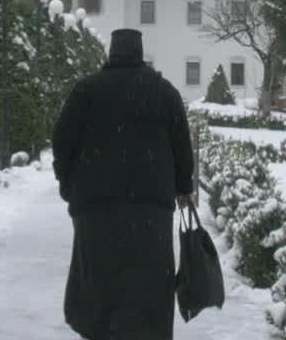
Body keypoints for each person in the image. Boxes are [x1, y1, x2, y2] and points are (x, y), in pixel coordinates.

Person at [52, 28, 195, 340]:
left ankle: (101, 330)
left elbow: (62, 141)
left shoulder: (87, 90)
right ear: (139, 52)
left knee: (99, 282)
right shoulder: (164, 92)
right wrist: (184, 187)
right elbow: (181, 146)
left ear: (111, 52)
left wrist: (68, 183)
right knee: (149, 284)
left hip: (95, 208)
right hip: (151, 210)